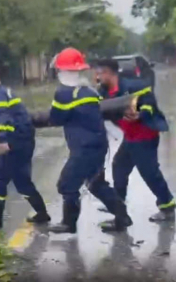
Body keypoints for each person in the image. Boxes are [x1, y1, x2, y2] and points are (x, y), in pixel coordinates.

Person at [47, 48, 131, 234]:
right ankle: (123, 217)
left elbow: (55, 119)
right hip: (99, 145)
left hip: (83, 149)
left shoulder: (63, 94)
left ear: (61, 71)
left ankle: (69, 224)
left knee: (67, 184)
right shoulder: (90, 91)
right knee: (96, 184)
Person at [96, 58, 175, 222]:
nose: (97, 77)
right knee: (119, 166)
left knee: (150, 173)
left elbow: (149, 104)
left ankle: (167, 206)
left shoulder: (133, 86)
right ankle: (117, 204)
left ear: (108, 73)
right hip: (130, 137)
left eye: (99, 73)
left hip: (144, 136)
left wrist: (140, 114)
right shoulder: (103, 93)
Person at [0, 67, 50, 229]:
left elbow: (4, 118)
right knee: (22, 181)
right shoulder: (5, 92)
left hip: (14, 142)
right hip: (25, 141)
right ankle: (42, 213)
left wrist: (4, 140)